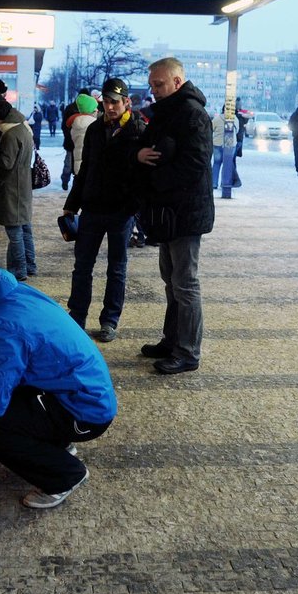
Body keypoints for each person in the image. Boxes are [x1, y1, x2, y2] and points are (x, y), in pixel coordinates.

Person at [0, 266, 116, 509]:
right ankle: (55, 446)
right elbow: (2, 361)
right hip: (83, 394)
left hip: (85, 414)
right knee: (7, 391)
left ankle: (64, 476)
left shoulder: (1, 325)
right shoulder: (6, 294)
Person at [135, 57, 214, 375]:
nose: (153, 90)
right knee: (171, 282)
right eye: (152, 84)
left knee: (185, 283)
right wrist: (138, 154)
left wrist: (156, 178)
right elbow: (143, 145)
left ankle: (188, 351)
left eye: (159, 84)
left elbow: (195, 163)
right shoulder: (167, 111)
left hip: (185, 212)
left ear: (177, 82)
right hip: (168, 211)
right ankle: (172, 340)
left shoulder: (192, 114)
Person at [63, 78, 145, 342]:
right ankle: (76, 317)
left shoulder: (138, 130)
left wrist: (133, 207)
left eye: (115, 102)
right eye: (106, 102)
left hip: (121, 212)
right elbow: (85, 169)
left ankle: (110, 320)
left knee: (117, 268)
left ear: (126, 102)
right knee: (82, 267)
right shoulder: (96, 130)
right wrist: (71, 205)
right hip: (92, 209)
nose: (110, 107)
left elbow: (144, 175)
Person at [0, 101, 37, 281]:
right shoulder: (24, 128)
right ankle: (30, 265)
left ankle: (19, 270)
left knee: (15, 232)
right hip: (23, 184)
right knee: (25, 228)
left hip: (12, 187)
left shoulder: (10, 135)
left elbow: (6, 163)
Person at [69, 93, 98, 178]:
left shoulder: (77, 123)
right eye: (95, 108)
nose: (97, 110)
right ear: (91, 111)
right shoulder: (92, 124)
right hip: (88, 167)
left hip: (79, 166)